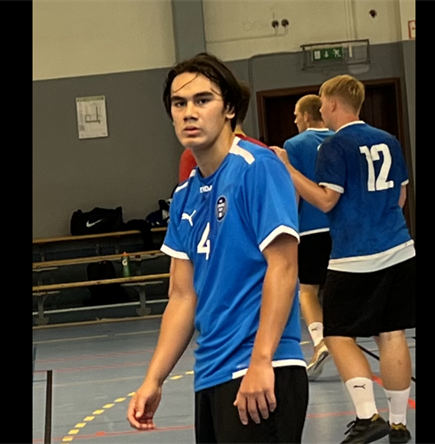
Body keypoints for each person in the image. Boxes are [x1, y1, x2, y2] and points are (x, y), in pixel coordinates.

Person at [128, 52, 308, 444]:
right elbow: (182, 296)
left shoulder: (257, 167)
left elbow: (283, 267)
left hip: (261, 370)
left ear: (229, 108)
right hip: (211, 376)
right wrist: (153, 379)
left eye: (202, 100)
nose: (189, 113)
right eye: (179, 103)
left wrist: (261, 361)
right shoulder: (184, 196)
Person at [271, 75, 415, 444]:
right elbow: (400, 198)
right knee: (392, 333)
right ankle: (399, 424)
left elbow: (325, 200)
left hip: (355, 256)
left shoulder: (334, 146)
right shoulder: (388, 140)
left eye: (322, 102)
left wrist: (288, 169)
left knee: (336, 334)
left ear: (333, 103)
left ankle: (368, 416)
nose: (320, 108)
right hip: (400, 248)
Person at [281, 94, 335, 380]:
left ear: (305, 115)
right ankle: (344, 341)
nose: (294, 120)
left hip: (310, 228)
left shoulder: (294, 145)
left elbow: (295, 189)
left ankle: (320, 341)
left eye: (295, 114)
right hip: (340, 227)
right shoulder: (339, 138)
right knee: (338, 288)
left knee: (307, 290)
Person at [179, 81, 266, 182]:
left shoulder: (194, 153)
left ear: (229, 108)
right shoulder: (263, 150)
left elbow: (189, 190)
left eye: (204, 102)